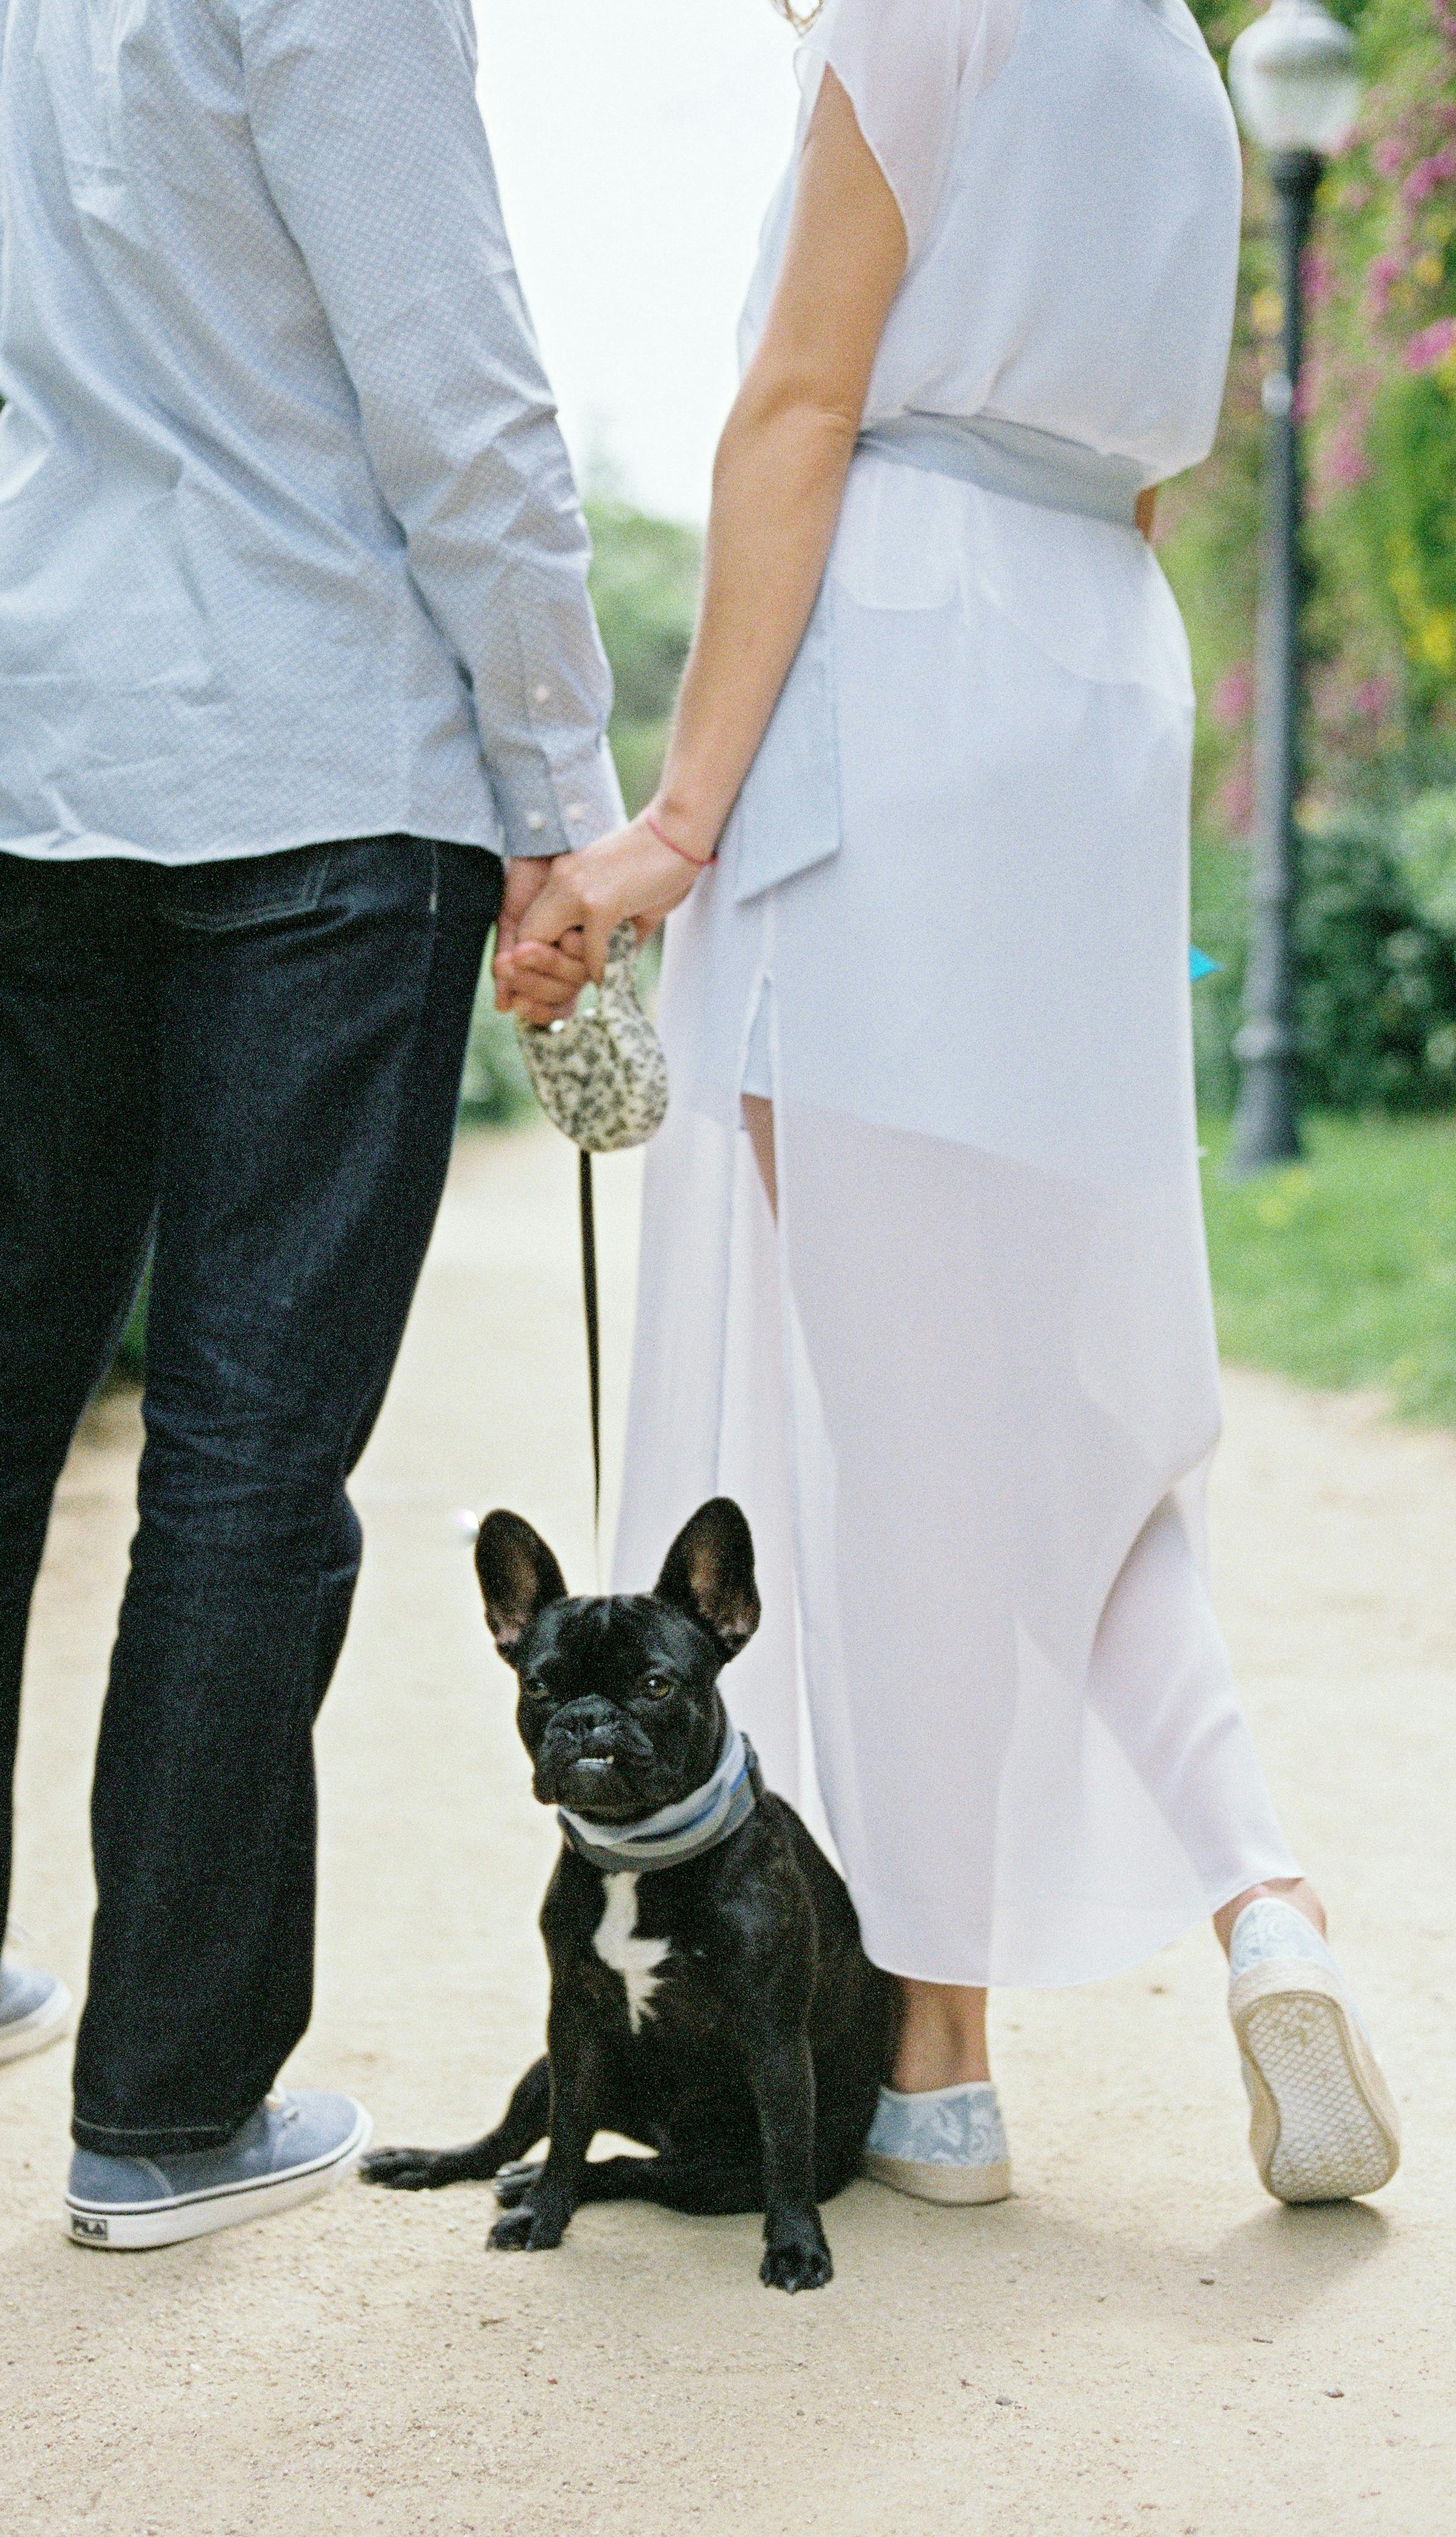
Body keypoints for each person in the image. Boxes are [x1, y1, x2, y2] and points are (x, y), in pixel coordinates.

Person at [503, 0, 1400, 2208]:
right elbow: (1158, 460)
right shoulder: (1184, 72)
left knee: (905, 1431)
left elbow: (798, 405)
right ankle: (1254, 1908)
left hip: (887, 699)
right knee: (1055, 1401)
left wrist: (673, 823)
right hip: (1090, 694)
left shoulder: (928, 14)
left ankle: (950, 2075)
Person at [0, 0, 612, 2250]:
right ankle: (165, 2108)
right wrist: (561, 791)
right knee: (256, 1448)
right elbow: (458, 392)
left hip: (62, 738)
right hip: (313, 753)